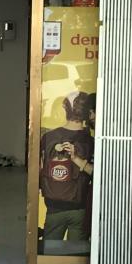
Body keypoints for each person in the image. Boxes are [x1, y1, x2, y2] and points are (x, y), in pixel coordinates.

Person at [38, 90, 95, 248]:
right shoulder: (90, 141)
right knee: (76, 255)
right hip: (80, 207)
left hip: (53, 206)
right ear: (87, 112)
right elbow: (96, 173)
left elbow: (40, 168)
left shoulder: (48, 137)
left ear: (65, 109)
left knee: (50, 252)